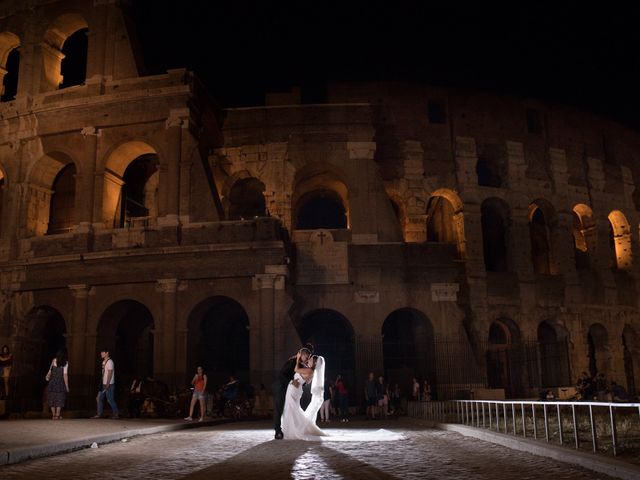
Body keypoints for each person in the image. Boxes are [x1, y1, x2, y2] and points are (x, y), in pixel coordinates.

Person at [281, 353, 326, 440]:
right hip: (295, 388)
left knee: (292, 408)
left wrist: (298, 359)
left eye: (311, 359)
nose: (309, 359)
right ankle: (292, 427)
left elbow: (296, 369)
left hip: (294, 389)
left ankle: (295, 429)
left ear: (314, 362)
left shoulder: (309, 371)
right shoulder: (310, 371)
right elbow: (307, 382)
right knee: (292, 408)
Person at [273, 345, 312, 439]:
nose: (307, 360)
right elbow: (281, 375)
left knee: (289, 408)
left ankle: (292, 428)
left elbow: (300, 377)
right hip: (280, 387)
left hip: (291, 390)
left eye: (308, 358)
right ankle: (277, 431)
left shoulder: (301, 364)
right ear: (302, 355)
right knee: (279, 408)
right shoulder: (291, 362)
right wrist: (291, 381)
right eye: (306, 357)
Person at [92, 349, 119, 419]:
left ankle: (116, 413)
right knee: (98, 398)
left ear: (107, 353)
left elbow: (110, 373)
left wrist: (107, 384)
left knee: (110, 399)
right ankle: (99, 414)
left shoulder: (110, 362)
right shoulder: (104, 362)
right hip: (103, 384)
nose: (101, 353)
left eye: (102, 352)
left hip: (109, 384)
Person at [46, 349, 69, 420]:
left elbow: (50, 370)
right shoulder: (65, 363)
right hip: (60, 382)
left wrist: (48, 376)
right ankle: (57, 414)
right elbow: (65, 375)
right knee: (60, 398)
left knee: (52, 397)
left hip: (52, 381)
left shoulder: (54, 360)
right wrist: (67, 386)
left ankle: (53, 415)